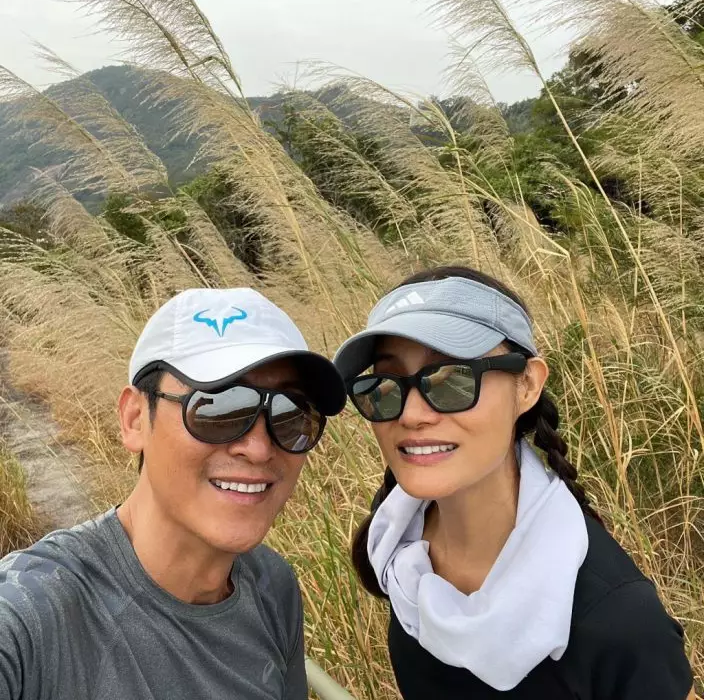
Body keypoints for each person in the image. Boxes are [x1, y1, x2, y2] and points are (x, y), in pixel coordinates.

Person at [334, 266, 696, 699]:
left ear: (527, 385)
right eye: (385, 386)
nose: (410, 415)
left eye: (452, 380)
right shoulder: (400, 549)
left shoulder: (616, 620)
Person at [0, 287, 347, 700]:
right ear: (134, 419)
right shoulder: (31, 616)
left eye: (291, 413)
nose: (258, 448)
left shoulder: (272, 587)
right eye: (217, 407)